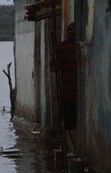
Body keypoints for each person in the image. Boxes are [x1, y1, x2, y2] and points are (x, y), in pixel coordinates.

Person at [56, 23, 77, 154]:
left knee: (70, 123)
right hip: (80, 94)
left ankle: (76, 149)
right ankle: (78, 149)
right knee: (76, 121)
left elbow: (54, 66)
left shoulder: (62, 47)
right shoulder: (80, 45)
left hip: (67, 93)